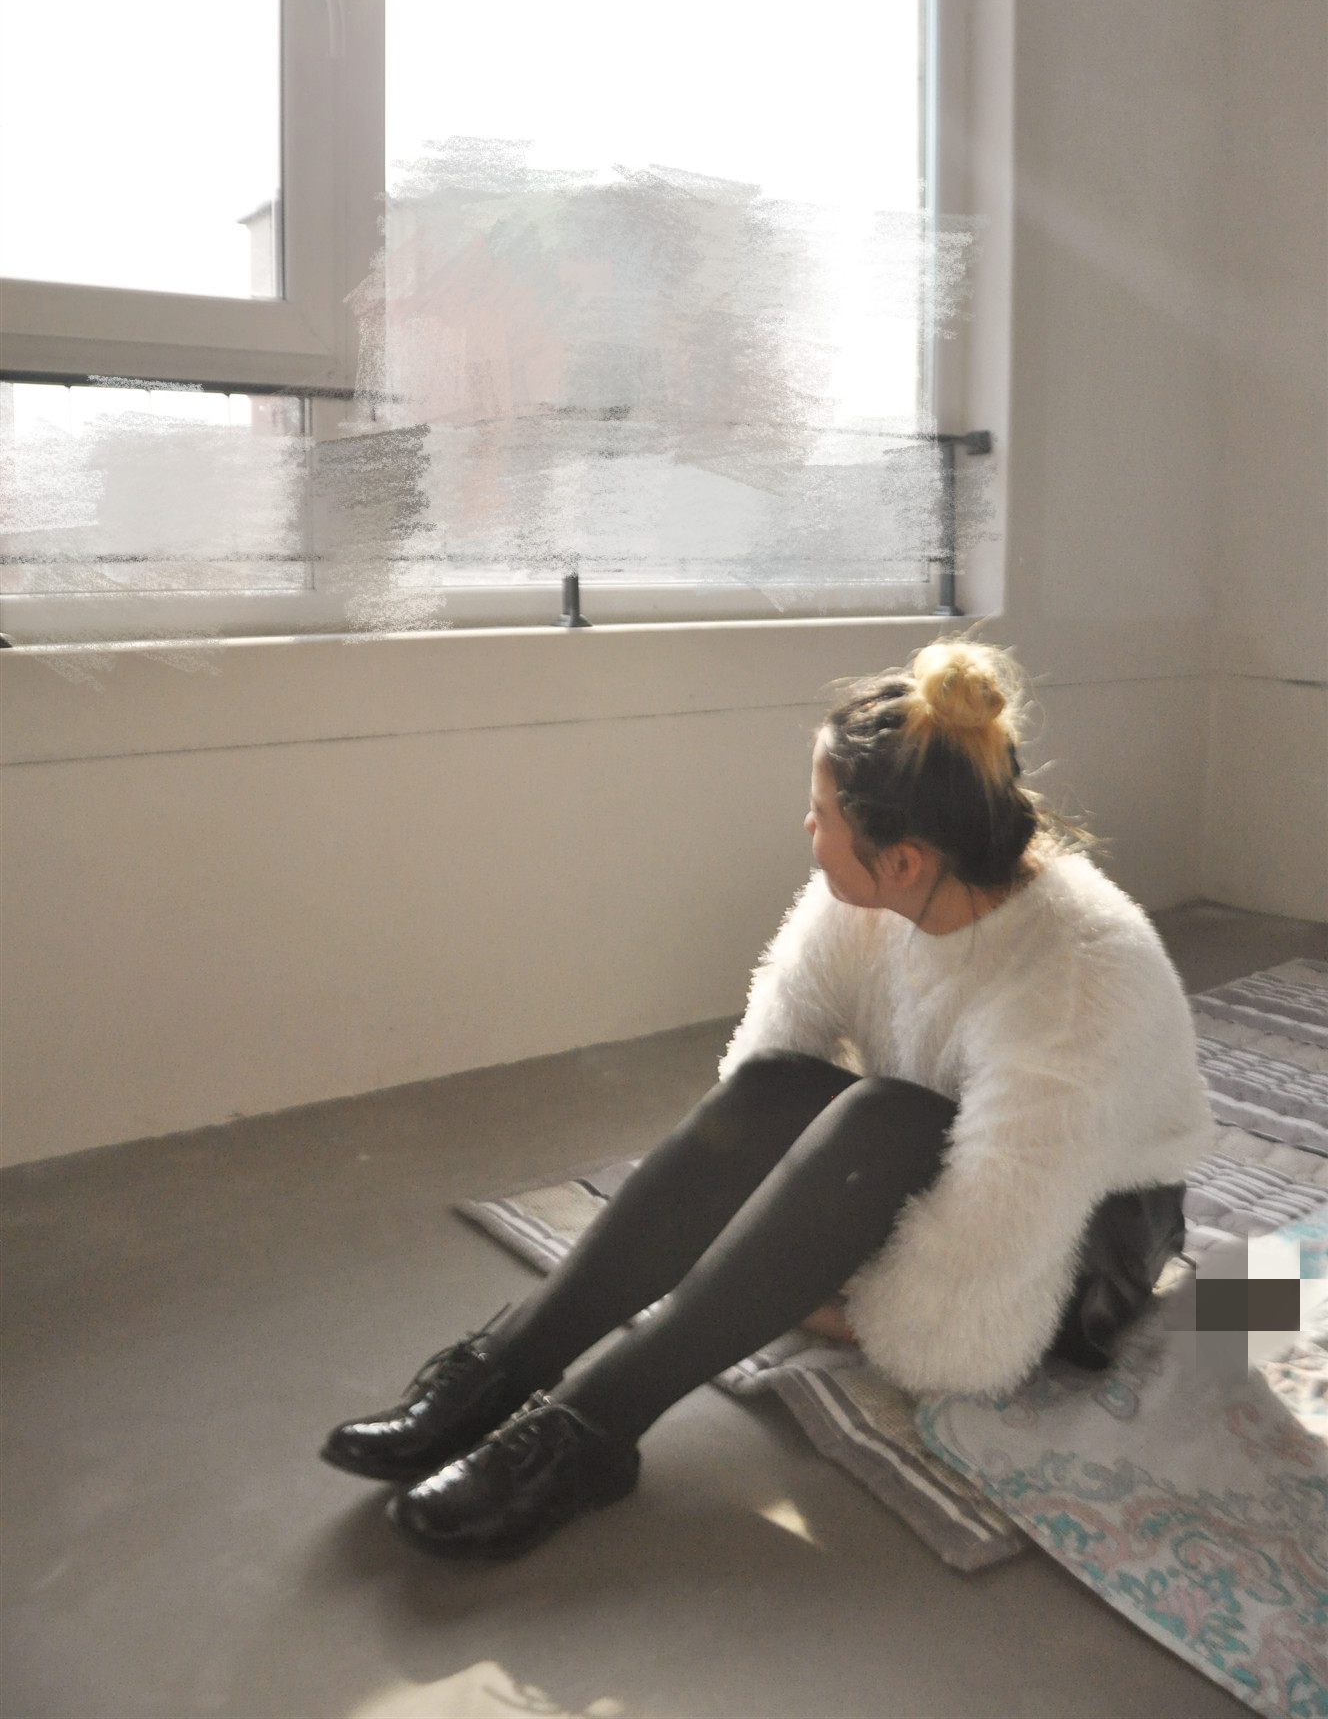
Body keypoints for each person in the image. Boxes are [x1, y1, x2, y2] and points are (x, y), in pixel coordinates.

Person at [321, 639, 1217, 1560]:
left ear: (903, 861)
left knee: (881, 1119)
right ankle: (502, 1370)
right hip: (953, 1170)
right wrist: (744, 1241)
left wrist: (807, 1303)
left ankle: (588, 1434)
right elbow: (761, 1092)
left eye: (822, 814)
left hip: (1076, 1247)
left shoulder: (1077, 984)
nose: (806, 827)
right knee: (780, 1087)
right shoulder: (886, 893)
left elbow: (966, 1325)